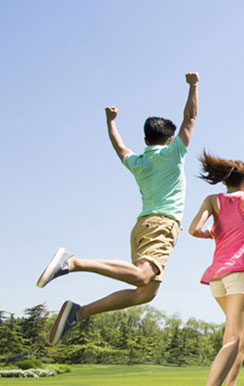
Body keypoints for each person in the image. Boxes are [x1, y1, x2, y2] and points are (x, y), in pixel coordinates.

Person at [38, 73, 199, 345]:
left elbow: (120, 146)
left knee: (147, 292)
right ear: (171, 140)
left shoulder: (137, 161)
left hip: (142, 227)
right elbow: (190, 118)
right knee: (141, 276)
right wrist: (194, 86)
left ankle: (80, 312)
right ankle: (73, 262)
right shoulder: (174, 155)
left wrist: (110, 122)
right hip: (162, 225)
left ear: (146, 141)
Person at [184, 138, 244, 386]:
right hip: (241, 273)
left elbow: (192, 229)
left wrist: (212, 233)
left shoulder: (213, 200)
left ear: (225, 182)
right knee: (234, 336)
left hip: (217, 278)